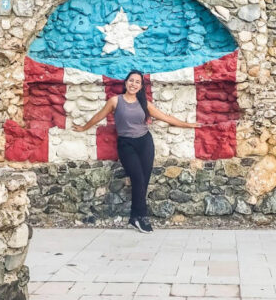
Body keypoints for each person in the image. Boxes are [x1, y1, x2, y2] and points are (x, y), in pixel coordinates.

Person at [72, 70, 198, 233]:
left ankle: (134, 217)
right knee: (137, 178)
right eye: (131, 81)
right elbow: (98, 116)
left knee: (143, 181)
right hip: (126, 144)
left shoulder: (144, 103)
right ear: (126, 83)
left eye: (137, 82)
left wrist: (188, 125)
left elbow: (165, 117)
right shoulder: (115, 101)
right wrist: (84, 127)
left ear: (140, 86)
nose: (133, 84)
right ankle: (142, 216)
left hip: (145, 143)